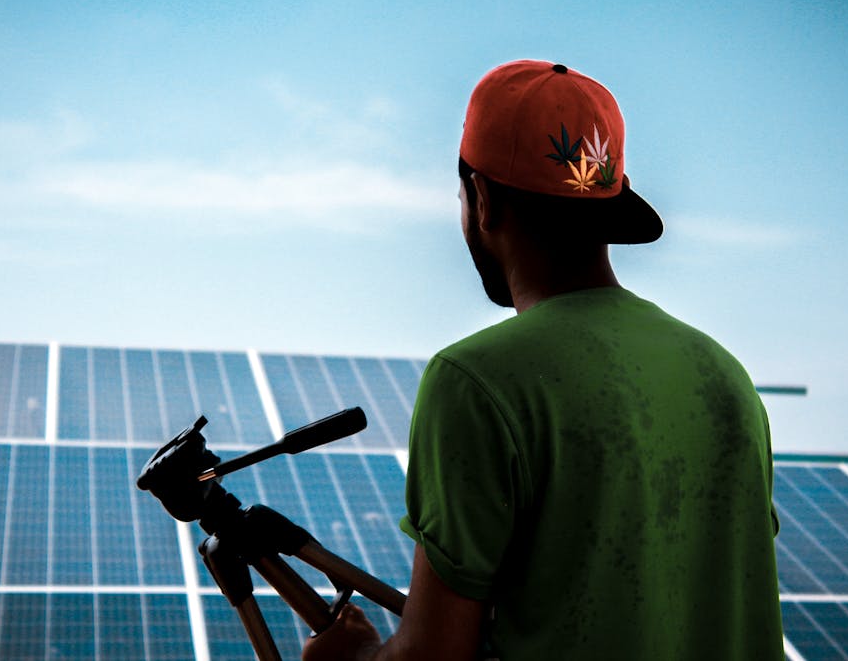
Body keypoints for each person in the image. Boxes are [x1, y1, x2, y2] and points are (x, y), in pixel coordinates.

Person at [303, 60, 784, 661]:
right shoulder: (724, 374)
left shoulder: (475, 381)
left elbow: (434, 655)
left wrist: (351, 657)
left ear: (481, 199)